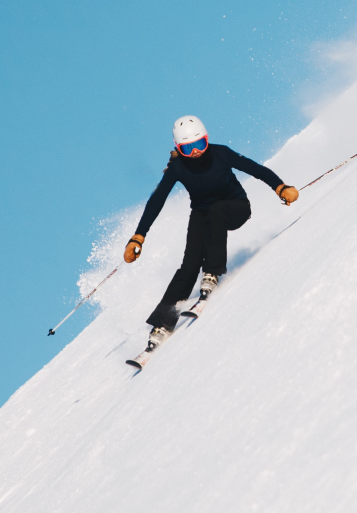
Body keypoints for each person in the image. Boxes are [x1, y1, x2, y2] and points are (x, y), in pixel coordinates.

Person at [124, 115, 299, 350]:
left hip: (235, 207)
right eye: (188, 148)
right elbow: (157, 200)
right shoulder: (178, 167)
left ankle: (212, 272)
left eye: (199, 144)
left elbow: (255, 169)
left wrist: (280, 187)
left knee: (216, 210)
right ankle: (163, 324)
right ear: (178, 148)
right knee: (189, 263)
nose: (195, 152)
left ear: (207, 140)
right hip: (203, 214)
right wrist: (138, 236)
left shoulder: (220, 153)